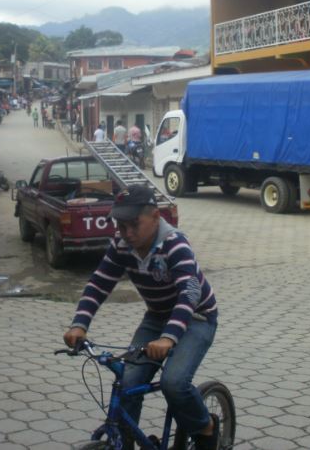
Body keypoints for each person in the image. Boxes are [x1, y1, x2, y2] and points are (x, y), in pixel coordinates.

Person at [63, 185, 219, 450]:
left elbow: (189, 294)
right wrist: (80, 324)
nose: (127, 233)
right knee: (127, 384)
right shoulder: (121, 245)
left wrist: (169, 338)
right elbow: (99, 284)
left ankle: (206, 429)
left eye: (134, 224)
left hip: (196, 317)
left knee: (174, 383)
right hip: (157, 316)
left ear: (156, 216)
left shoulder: (175, 244)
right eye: (121, 225)